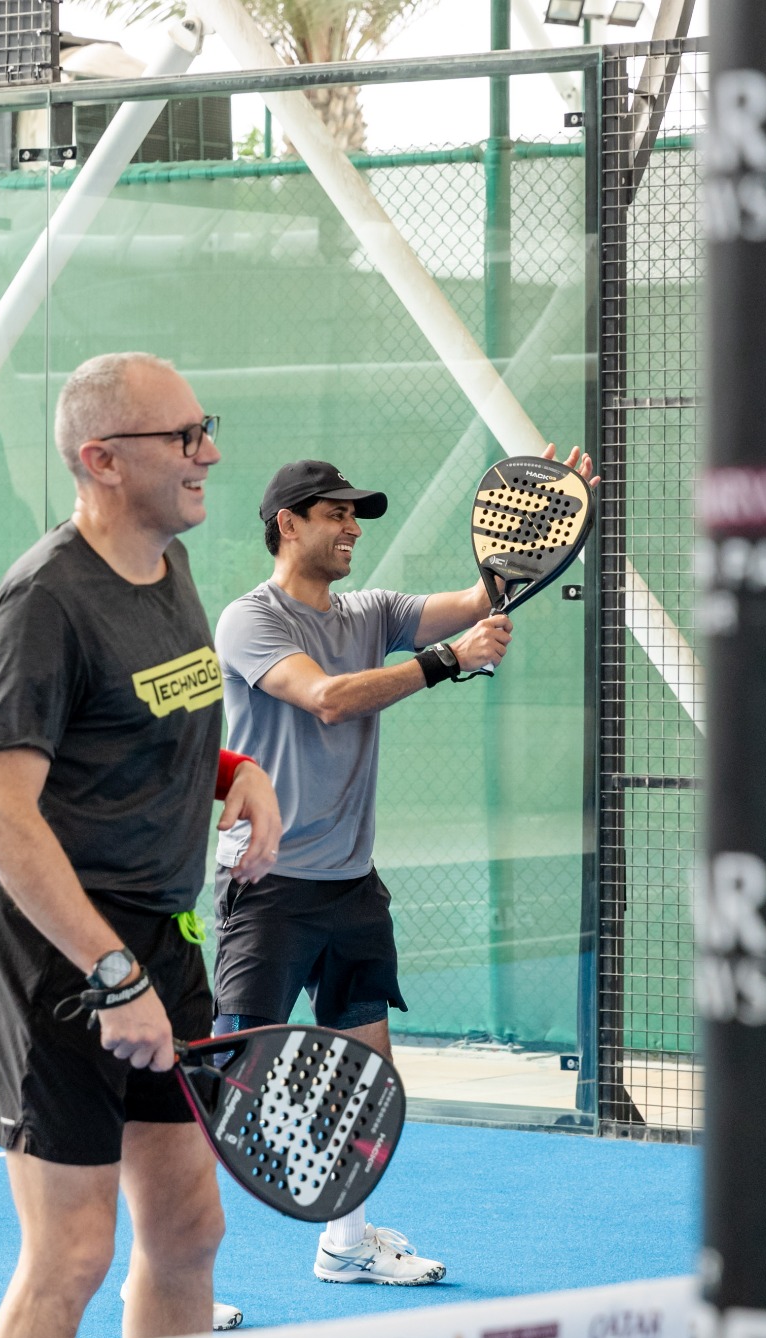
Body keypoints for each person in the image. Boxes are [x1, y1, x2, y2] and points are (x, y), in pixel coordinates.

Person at [0, 352, 300, 1338]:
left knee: (189, 1225)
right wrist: (106, 970)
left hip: (157, 935)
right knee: (71, 1254)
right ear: (103, 459)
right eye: (182, 434)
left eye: (207, 426)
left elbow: (143, 723)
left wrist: (230, 767)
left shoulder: (170, 560)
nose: (208, 452)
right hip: (54, 949)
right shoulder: (45, 599)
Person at [213, 447, 595, 1289]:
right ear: (289, 524)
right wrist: (447, 662)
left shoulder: (370, 611)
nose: (353, 528)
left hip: (351, 887)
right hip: (266, 888)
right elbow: (325, 698)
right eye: (338, 514)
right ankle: (168, 1277)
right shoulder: (252, 620)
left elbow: (477, 597)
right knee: (232, 1086)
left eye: (358, 516)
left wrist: (544, 519)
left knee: (366, 1081)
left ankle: (344, 1242)